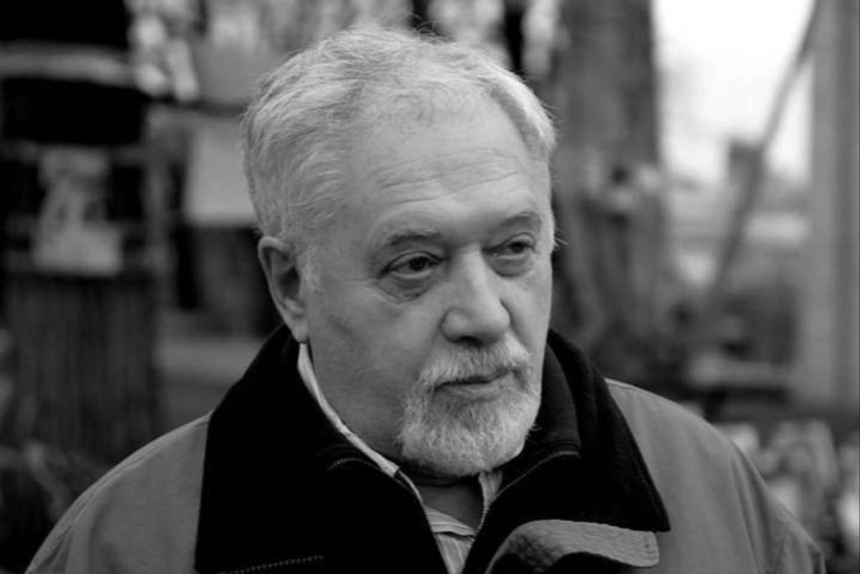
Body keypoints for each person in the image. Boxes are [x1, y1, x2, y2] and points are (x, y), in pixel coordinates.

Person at [27, 28, 823, 574]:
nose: (485, 315)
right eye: (415, 264)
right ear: (292, 285)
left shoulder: (714, 492)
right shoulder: (129, 541)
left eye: (514, 250)